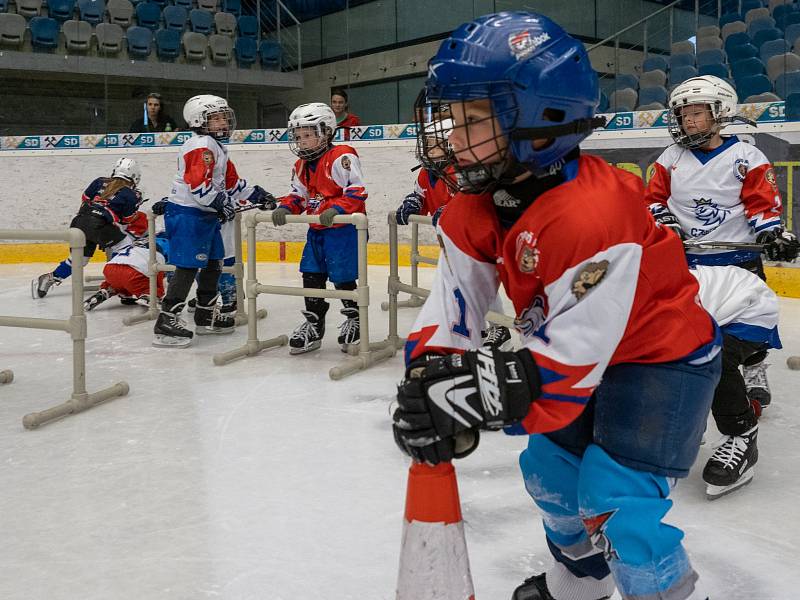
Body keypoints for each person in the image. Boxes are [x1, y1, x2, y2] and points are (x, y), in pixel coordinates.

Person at [391, 12, 721, 600]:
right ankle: (577, 584)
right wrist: (428, 376)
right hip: (584, 352)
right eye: (452, 117)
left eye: (474, 119)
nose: (451, 136)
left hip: (662, 359)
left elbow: (565, 370)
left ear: (542, 123)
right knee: (548, 473)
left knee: (614, 500)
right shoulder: (477, 202)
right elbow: (455, 307)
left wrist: (466, 397)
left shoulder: (595, 215)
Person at [644, 75, 799, 410]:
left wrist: (771, 233)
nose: (688, 120)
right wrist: (664, 222)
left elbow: (762, 204)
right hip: (689, 260)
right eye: (684, 114)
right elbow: (652, 200)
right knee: (689, 323)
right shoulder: (670, 157)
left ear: (721, 113)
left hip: (738, 259)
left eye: (697, 113)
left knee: (747, 326)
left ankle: (756, 365)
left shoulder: (746, 156)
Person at [152, 95, 274, 347]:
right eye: (216, 118)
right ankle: (167, 319)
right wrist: (223, 203)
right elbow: (199, 186)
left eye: (224, 118)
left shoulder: (217, 148)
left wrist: (258, 194)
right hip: (188, 215)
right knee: (188, 266)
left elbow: (231, 183)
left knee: (213, 264)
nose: (223, 123)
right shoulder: (200, 145)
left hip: (204, 217)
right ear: (199, 121)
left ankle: (205, 314)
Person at [396, 116, 512, 349]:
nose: (426, 148)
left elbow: (471, 200)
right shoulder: (426, 172)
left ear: (449, 144)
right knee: (460, 286)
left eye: (432, 143)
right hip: (451, 243)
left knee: (477, 281)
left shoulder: (463, 170)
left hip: (474, 243)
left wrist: (450, 210)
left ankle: (500, 329)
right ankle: (475, 325)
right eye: (426, 143)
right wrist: (413, 203)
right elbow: (421, 195)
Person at [270, 102, 367, 354]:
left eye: (308, 135)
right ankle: (314, 323)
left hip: (344, 230)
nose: (301, 141)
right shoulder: (301, 165)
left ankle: (354, 319)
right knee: (311, 275)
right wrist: (287, 208)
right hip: (317, 230)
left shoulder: (342, 155)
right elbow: (299, 195)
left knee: (343, 278)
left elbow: (356, 191)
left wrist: (338, 209)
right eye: (298, 136)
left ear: (326, 132)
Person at [690, 264, 781, 500]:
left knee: (711, 357)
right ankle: (689, 424)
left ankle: (742, 434)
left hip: (749, 307)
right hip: (714, 300)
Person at [32, 158, 146, 299]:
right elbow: (127, 219)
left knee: (80, 259)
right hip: (100, 225)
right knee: (125, 245)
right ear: (134, 177)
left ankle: (50, 278)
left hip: (79, 222)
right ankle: (119, 283)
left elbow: (85, 199)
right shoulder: (131, 194)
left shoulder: (99, 181)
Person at [83, 234, 170, 311]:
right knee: (151, 287)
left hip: (110, 269)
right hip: (131, 274)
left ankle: (106, 291)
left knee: (116, 283)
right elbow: (157, 277)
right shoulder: (158, 255)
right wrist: (158, 292)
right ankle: (147, 297)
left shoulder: (133, 247)